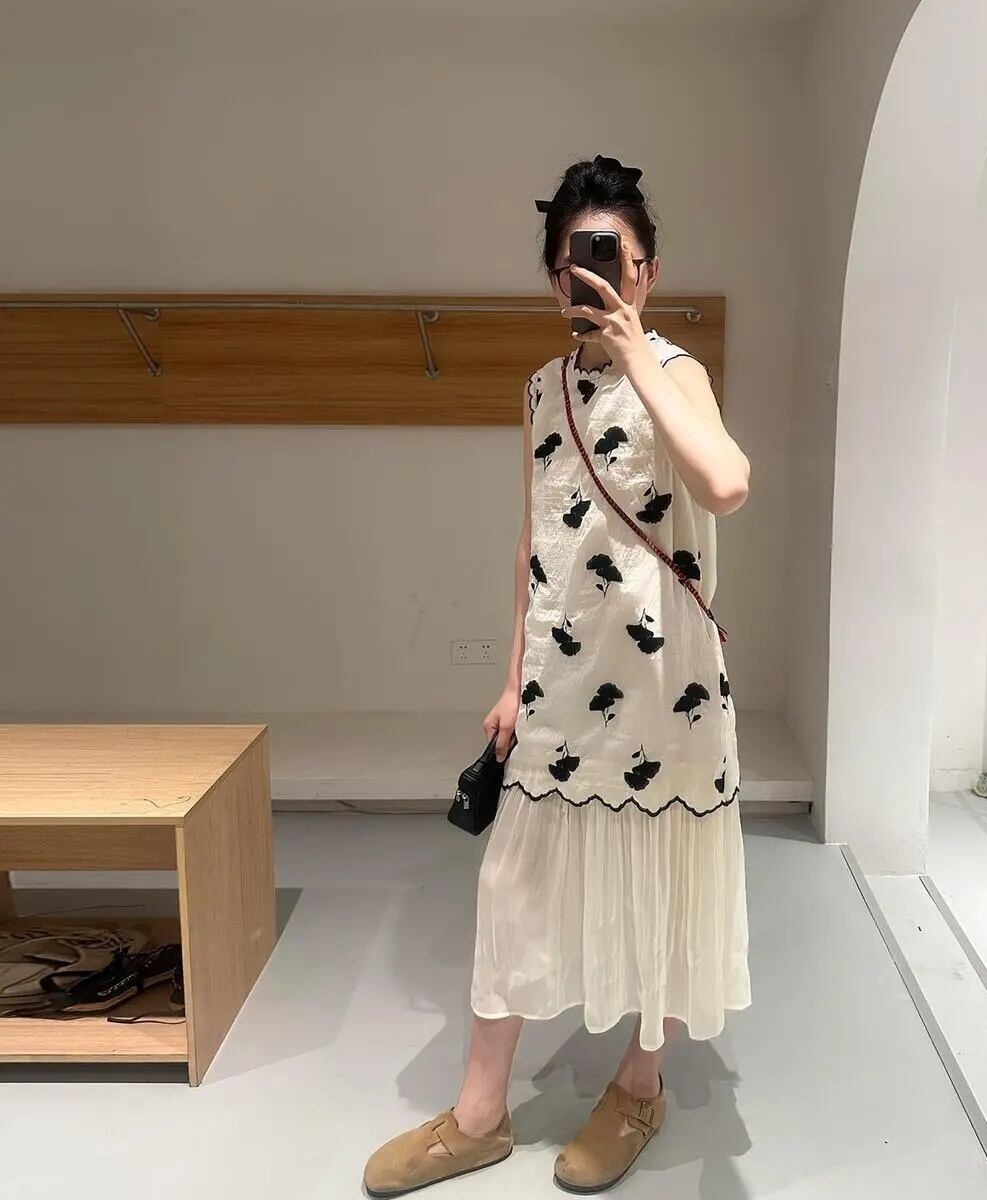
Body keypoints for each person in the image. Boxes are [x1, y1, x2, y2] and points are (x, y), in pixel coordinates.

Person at [363, 154, 752, 1197]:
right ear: (553, 281)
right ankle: (479, 1114)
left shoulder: (679, 373)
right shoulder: (540, 391)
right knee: (513, 885)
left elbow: (725, 483)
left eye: (616, 261)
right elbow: (536, 542)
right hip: (559, 687)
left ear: (647, 273)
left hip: (665, 690)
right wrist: (511, 679)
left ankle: (639, 1085)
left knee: (660, 877)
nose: (598, 279)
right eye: (579, 264)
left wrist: (635, 356)